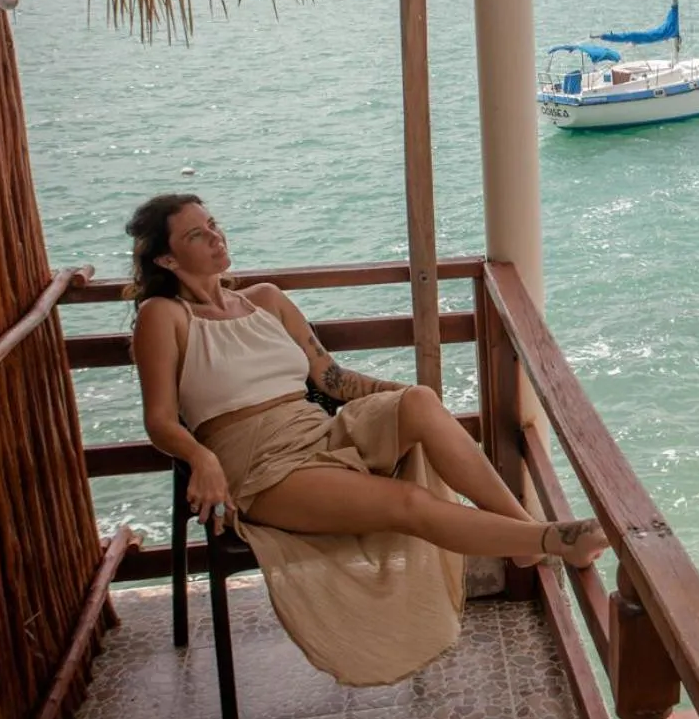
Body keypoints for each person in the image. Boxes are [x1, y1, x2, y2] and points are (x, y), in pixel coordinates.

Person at [127, 192, 608, 684]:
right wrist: (200, 456)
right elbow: (160, 420)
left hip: (318, 429)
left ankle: (520, 531)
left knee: (419, 401)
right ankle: (550, 538)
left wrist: (415, 399)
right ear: (166, 259)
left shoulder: (266, 300)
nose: (214, 236)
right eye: (195, 235)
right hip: (261, 463)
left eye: (212, 224)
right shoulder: (163, 317)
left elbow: (331, 379)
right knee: (406, 502)